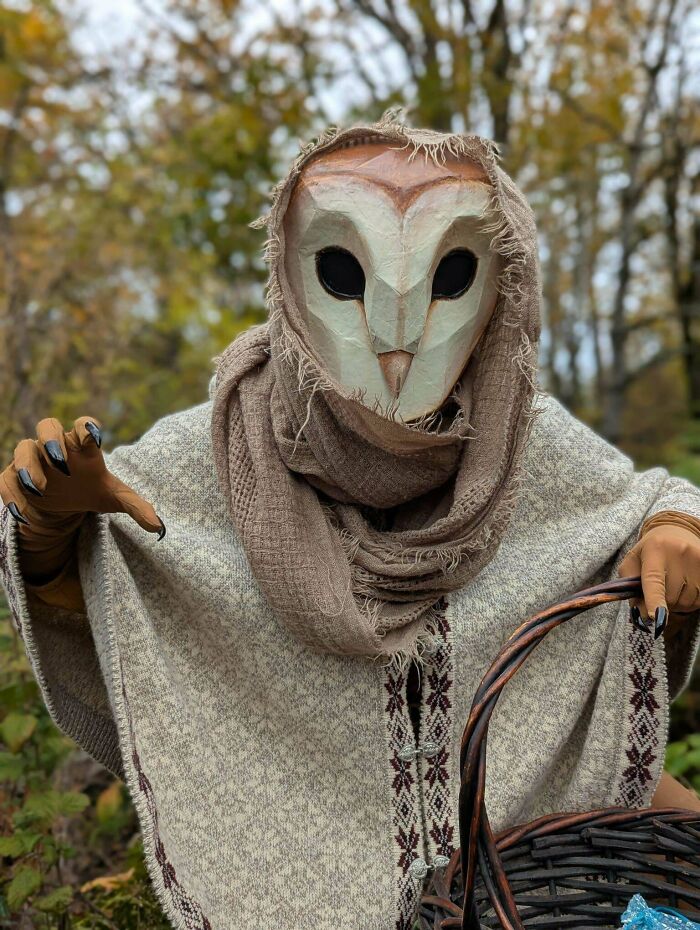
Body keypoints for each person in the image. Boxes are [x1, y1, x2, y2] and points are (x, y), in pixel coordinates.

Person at [1, 114, 700, 930]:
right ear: (289, 281)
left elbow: (644, 500)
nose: (394, 335)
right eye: (341, 266)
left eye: (450, 274)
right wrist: (52, 539)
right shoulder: (216, 448)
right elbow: (121, 582)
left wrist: (676, 530)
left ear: (501, 286)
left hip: (522, 878)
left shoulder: (524, 443)